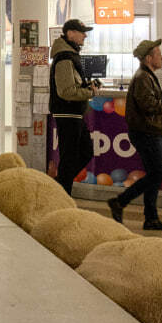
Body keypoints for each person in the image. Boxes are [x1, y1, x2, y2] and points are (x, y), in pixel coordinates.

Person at [108, 38, 162, 230]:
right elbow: (148, 105)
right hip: (146, 132)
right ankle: (120, 201)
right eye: (159, 55)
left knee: (154, 174)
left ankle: (151, 218)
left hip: (149, 131)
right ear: (149, 58)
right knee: (157, 173)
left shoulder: (147, 76)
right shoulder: (143, 77)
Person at [49, 18, 101, 196]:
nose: (85, 36)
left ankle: (59, 186)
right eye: (82, 32)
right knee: (70, 157)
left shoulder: (70, 55)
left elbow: (71, 87)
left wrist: (86, 88)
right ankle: (61, 194)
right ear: (70, 33)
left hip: (75, 114)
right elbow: (66, 91)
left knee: (84, 153)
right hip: (67, 114)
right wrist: (90, 93)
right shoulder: (64, 58)